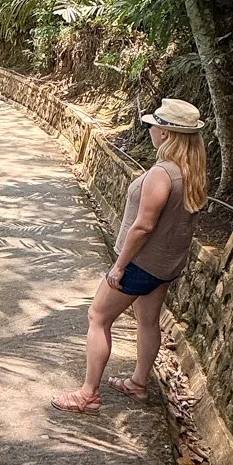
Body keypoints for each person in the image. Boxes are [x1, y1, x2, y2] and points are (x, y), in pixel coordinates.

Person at [51, 98, 208, 414]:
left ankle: (88, 394)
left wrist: (119, 266)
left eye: (153, 126)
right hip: (165, 265)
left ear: (165, 133)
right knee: (148, 321)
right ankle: (138, 383)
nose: (149, 130)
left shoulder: (162, 173)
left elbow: (143, 226)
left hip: (139, 264)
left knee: (98, 317)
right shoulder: (192, 173)